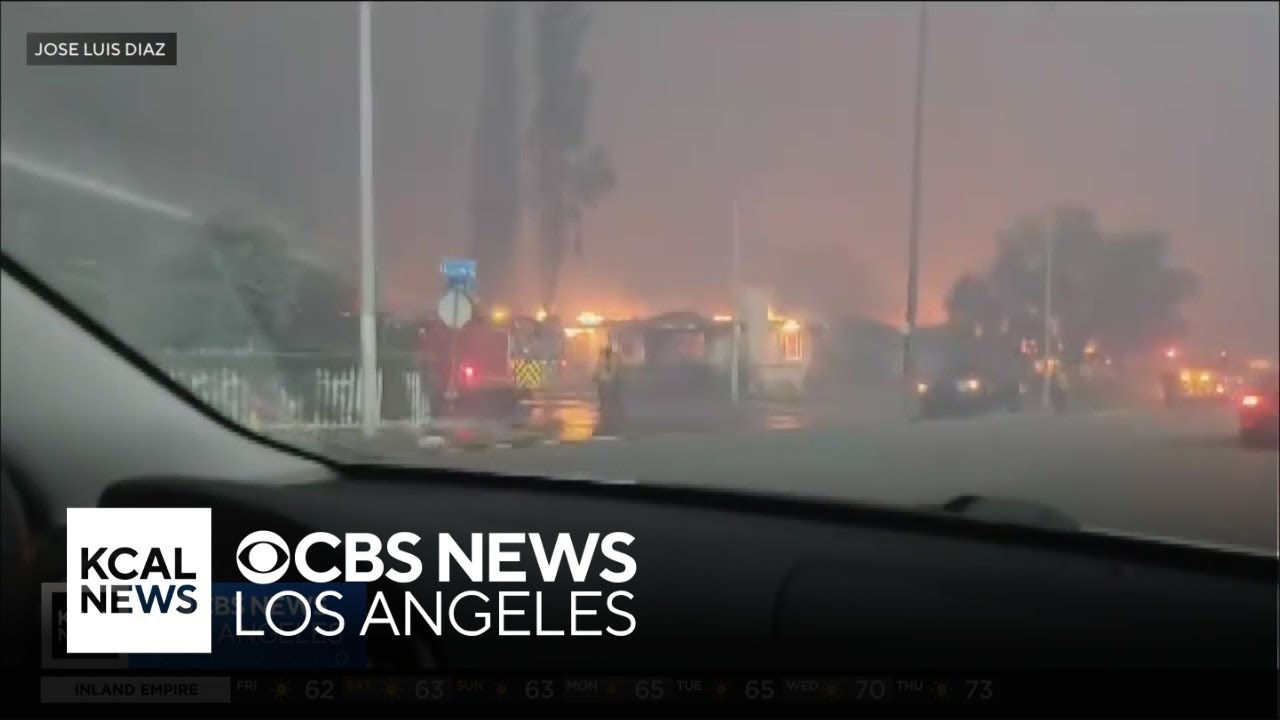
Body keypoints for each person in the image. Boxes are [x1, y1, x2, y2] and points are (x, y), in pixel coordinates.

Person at [594, 344, 622, 434]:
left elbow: (599, 370)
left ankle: (607, 415)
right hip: (607, 382)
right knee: (607, 399)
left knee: (606, 399)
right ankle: (607, 414)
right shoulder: (610, 359)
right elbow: (599, 370)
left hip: (606, 382)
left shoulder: (605, 359)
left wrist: (595, 376)